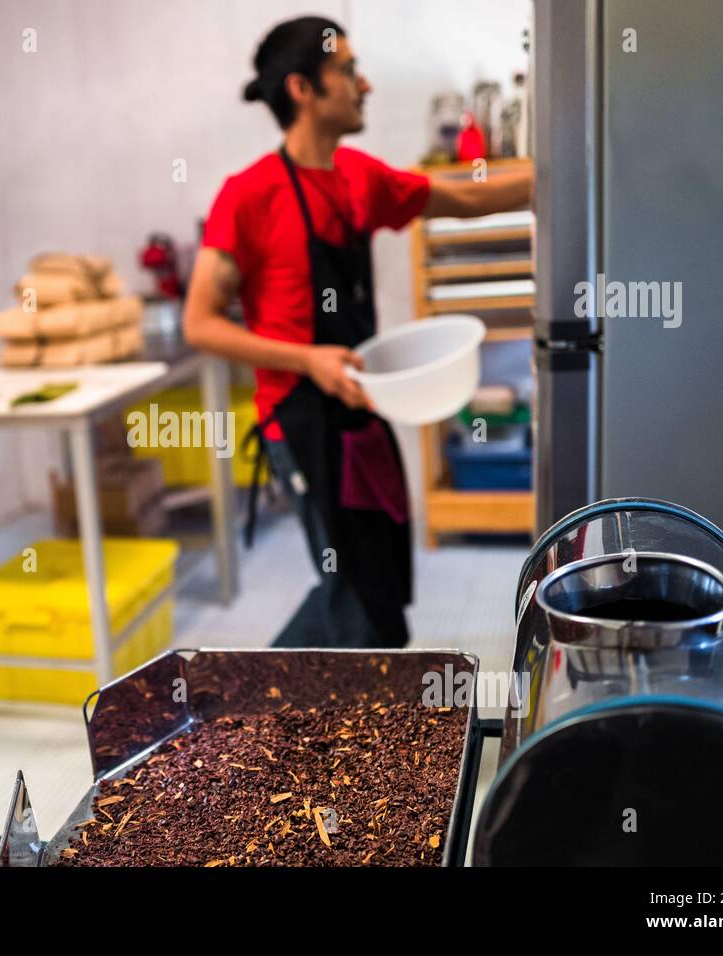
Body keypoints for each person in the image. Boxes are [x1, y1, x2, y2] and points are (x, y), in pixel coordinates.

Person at [183, 15, 532, 649]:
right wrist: (308, 359)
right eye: (347, 70)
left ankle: (346, 707)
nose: (363, 83)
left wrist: (563, 176)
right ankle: (251, 707)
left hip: (360, 412)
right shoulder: (249, 196)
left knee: (381, 590)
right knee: (350, 599)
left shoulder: (359, 179)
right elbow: (200, 323)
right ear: (302, 89)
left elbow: (470, 198)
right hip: (300, 417)